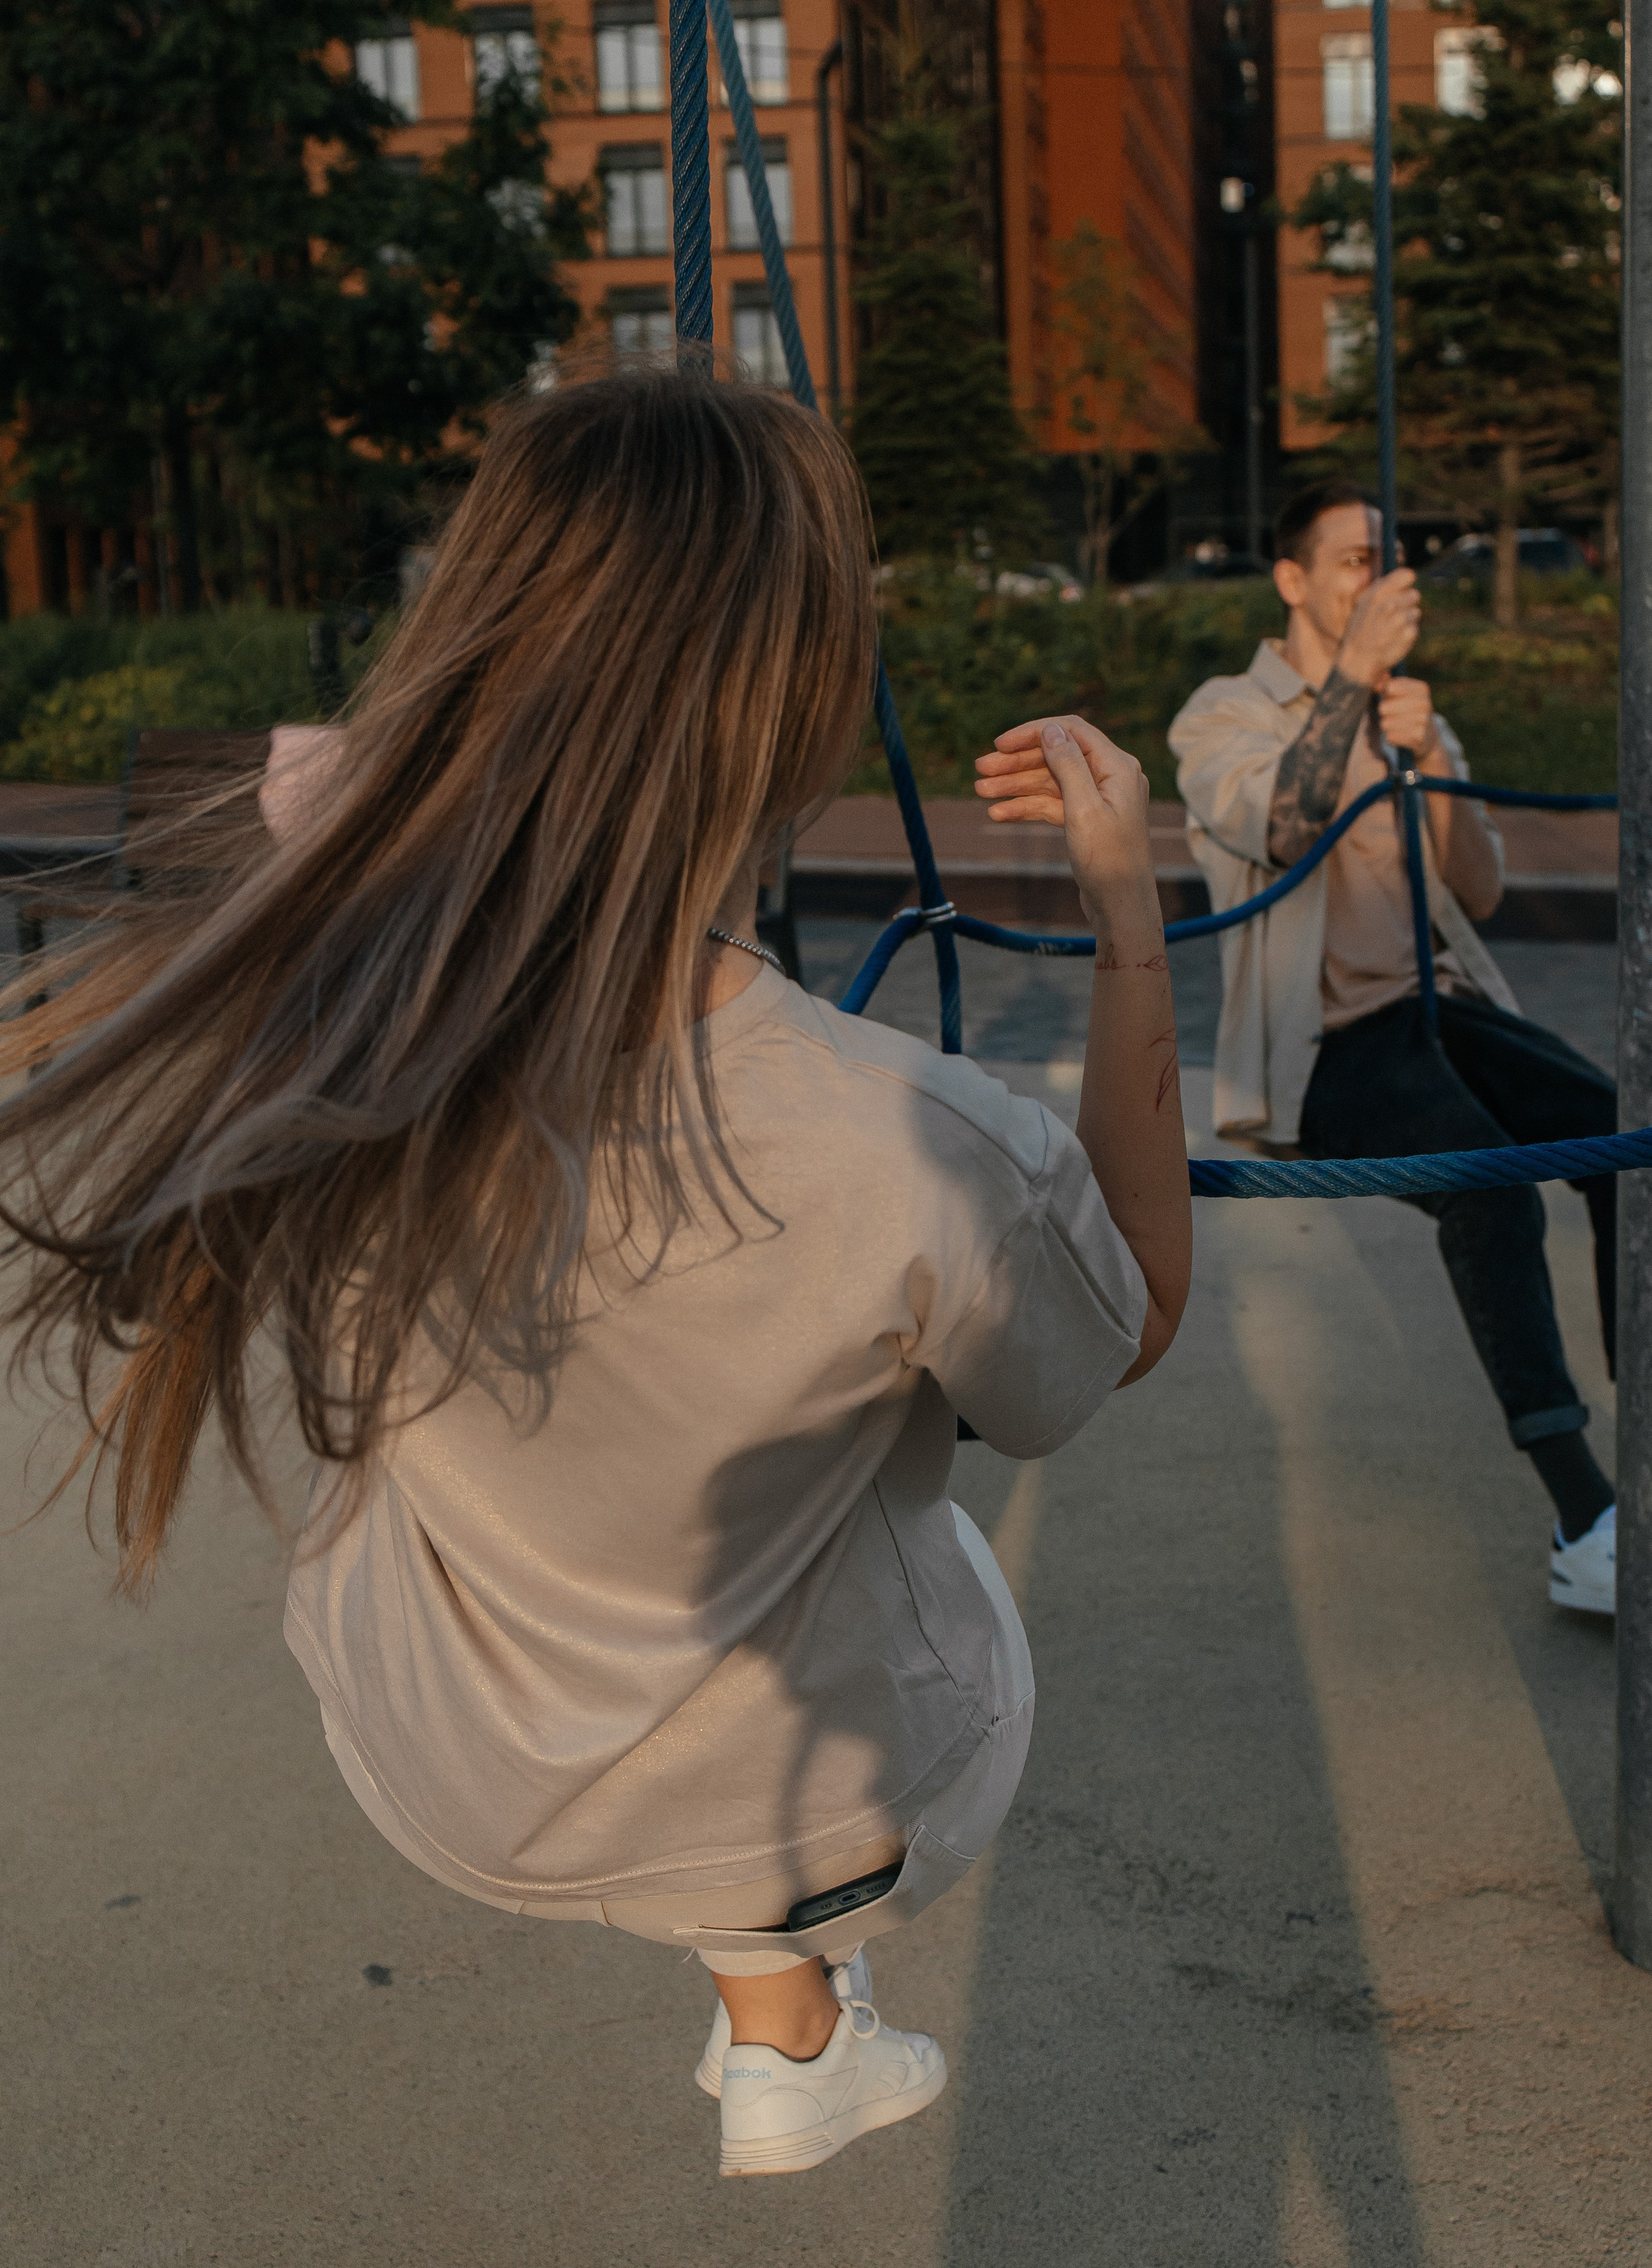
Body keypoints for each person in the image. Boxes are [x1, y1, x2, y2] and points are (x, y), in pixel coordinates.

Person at [4, 368, 1191, 2178]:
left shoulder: (340, 980)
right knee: (914, 1517)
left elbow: (331, 779)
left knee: (698, 1472)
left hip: (444, 1764)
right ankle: (787, 1993)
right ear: (799, 705)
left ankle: (780, 2027)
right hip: (816, 1817)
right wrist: (1126, 912)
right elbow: (1129, 1340)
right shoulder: (916, 1139)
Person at [1165, 479, 1617, 1617]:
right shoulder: (1225, 713)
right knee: (1492, 1193)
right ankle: (1585, 1519)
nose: (1380, 579)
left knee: (1623, 1134)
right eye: (1354, 561)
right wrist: (1353, 682)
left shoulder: (1408, 708)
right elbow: (1277, 825)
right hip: (1331, 1048)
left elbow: (1482, 886)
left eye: (1388, 559)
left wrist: (1437, 767)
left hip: (1443, 1011)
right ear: (1293, 581)